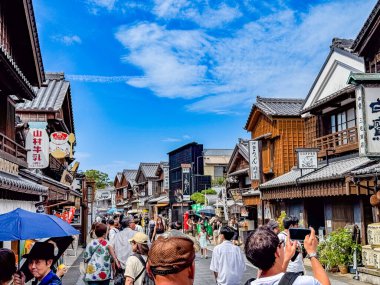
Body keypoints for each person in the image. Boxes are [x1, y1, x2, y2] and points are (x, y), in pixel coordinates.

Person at [245, 227, 330, 285]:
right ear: (277, 252)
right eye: (281, 243)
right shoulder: (303, 282)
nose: (283, 246)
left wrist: (286, 259)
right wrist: (312, 253)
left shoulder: (250, 283)